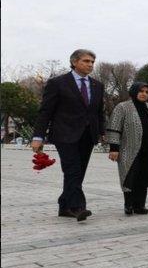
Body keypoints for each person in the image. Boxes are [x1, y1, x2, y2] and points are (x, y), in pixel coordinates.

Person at [32, 49, 105, 221]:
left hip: (88, 135)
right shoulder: (58, 83)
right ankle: (77, 207)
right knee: (72, 169)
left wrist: (101, 132)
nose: (90, 65)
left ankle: (64, 205)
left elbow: (99, 113)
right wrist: (38, 136)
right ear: (74, 62)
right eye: (86, 61)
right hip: (64, 134)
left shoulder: (97, 85)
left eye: (92, 62)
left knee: (79, 172)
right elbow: (45, 111)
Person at [106, 82, 148, 215]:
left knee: (144, 177)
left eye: (147, 92)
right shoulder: (122, 107)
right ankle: (128, 204)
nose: (144, 94)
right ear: (134, 92)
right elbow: (114, 128)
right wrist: (114, 148)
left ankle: (140, 205)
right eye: (141, 91)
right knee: (130, 176)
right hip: (129, 150)